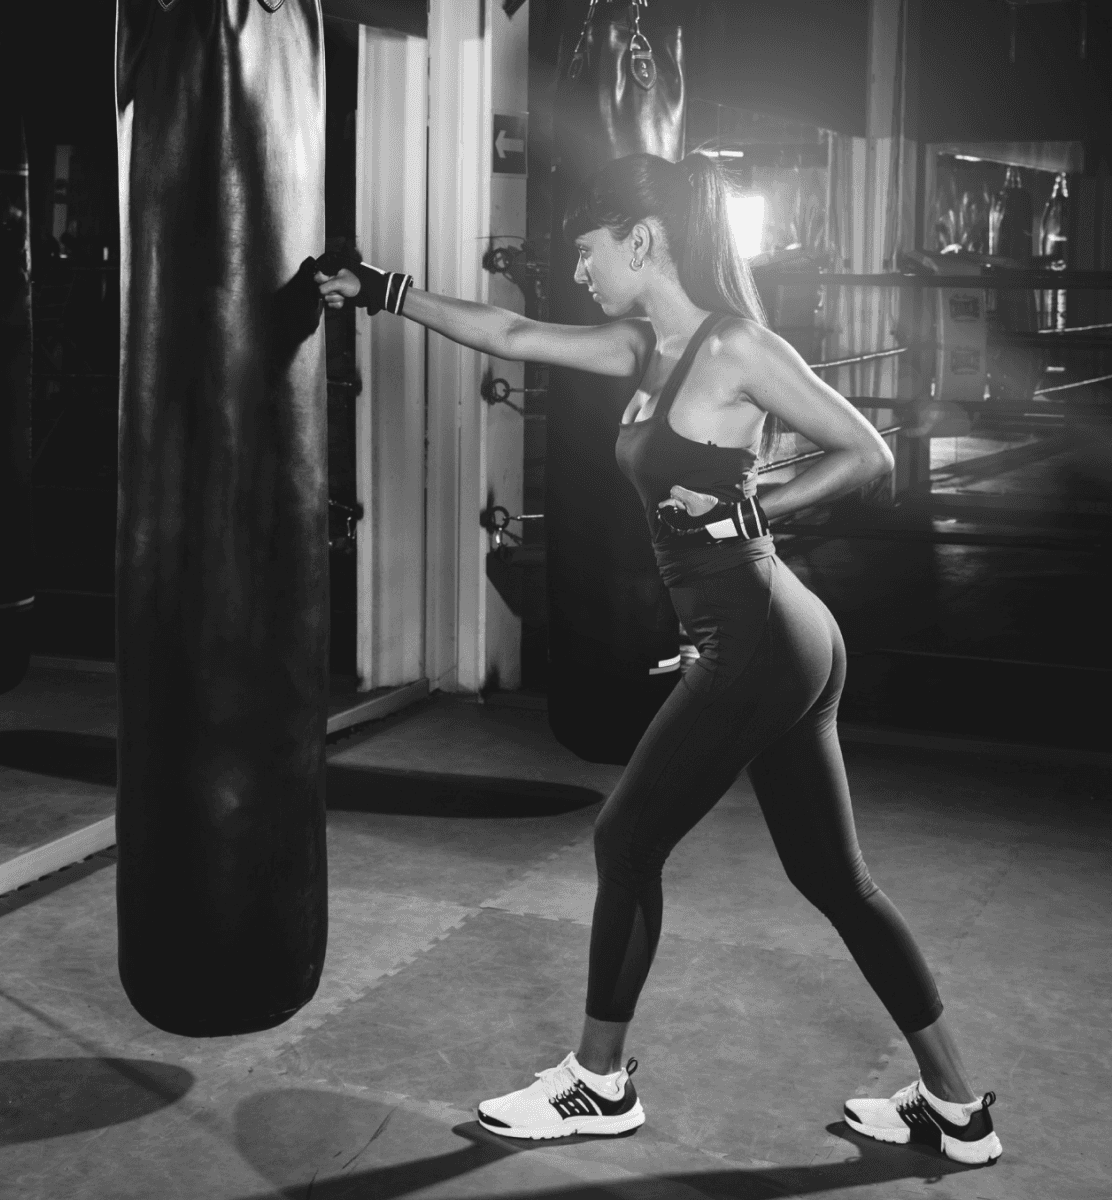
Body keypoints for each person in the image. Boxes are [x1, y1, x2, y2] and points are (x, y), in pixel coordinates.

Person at [314, 151, 1002, 1167]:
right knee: (834, 879)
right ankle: (955, 1108)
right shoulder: (650, 349)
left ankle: (597, 1086)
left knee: (625, 842)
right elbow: (509, 333)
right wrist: (382, 292)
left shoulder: (734, 346)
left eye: (590, 250)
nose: (580, 269)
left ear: (642, 240)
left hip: (766, 634)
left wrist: (749, 505)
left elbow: (870, 455)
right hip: (758, 637)